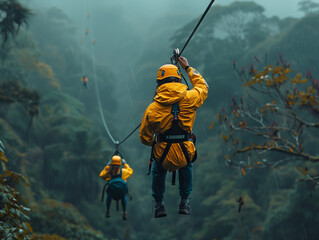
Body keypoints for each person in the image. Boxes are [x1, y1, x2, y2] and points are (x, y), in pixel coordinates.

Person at [139, 56, 208, 218]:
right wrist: (188, 68)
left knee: (158, 170)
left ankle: (158, 204)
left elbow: (144, 138)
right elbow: (203, 87)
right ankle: (185, 201)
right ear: (178, 79)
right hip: (185, 150)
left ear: (159, 83)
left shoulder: (152, 108)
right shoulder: (190, 98)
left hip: (163, 153)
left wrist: (154, 141)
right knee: (187, 164)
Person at [99, 155, 133, 220]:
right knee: (124, 196)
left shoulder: (109, 172)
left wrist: (107, 166)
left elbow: (101, 175)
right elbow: (130, 171)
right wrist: (125, 164)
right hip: (121, 193)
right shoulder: (123, 172)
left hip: (113, 194)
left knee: (109, 195)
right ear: (120, 164)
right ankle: (124, 211)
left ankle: (108, 210)